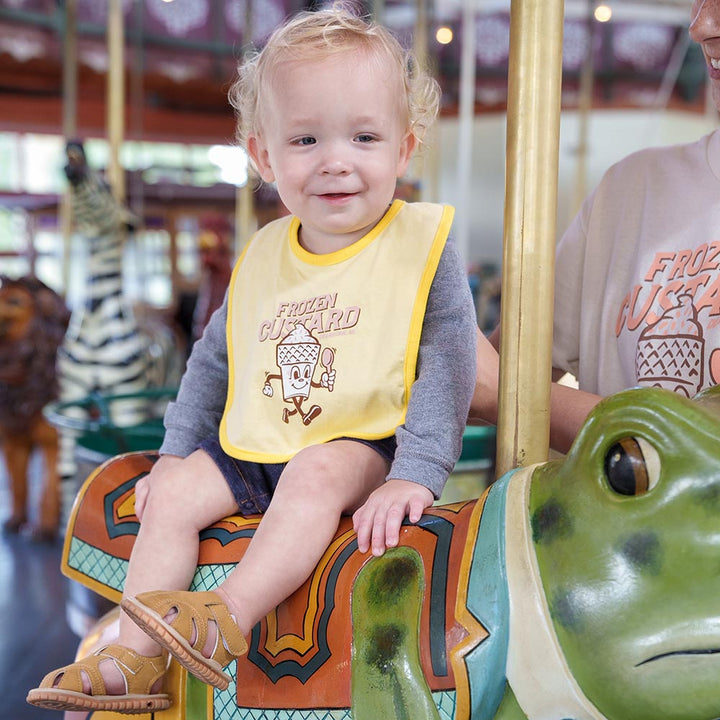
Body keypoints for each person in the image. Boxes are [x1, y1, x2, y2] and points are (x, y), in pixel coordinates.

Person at [27, 6, 476, 713]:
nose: (335, 159)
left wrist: (416, 471)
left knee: (316, 471)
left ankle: (225, 618)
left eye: (364, 136)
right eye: (304, 138)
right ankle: (133, 655)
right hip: (254, 444)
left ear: (404, 148)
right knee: (170, 494)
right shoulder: (265, 252)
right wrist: (175, 452)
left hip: (361, 441)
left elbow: (448, 359)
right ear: (265, 157)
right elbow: (213, 360)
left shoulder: (421, 244)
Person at [476, 0, 720, 453]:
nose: (700, 25)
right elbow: (488, 369)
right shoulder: (628, 188)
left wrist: (510, 394)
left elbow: (707, 458)